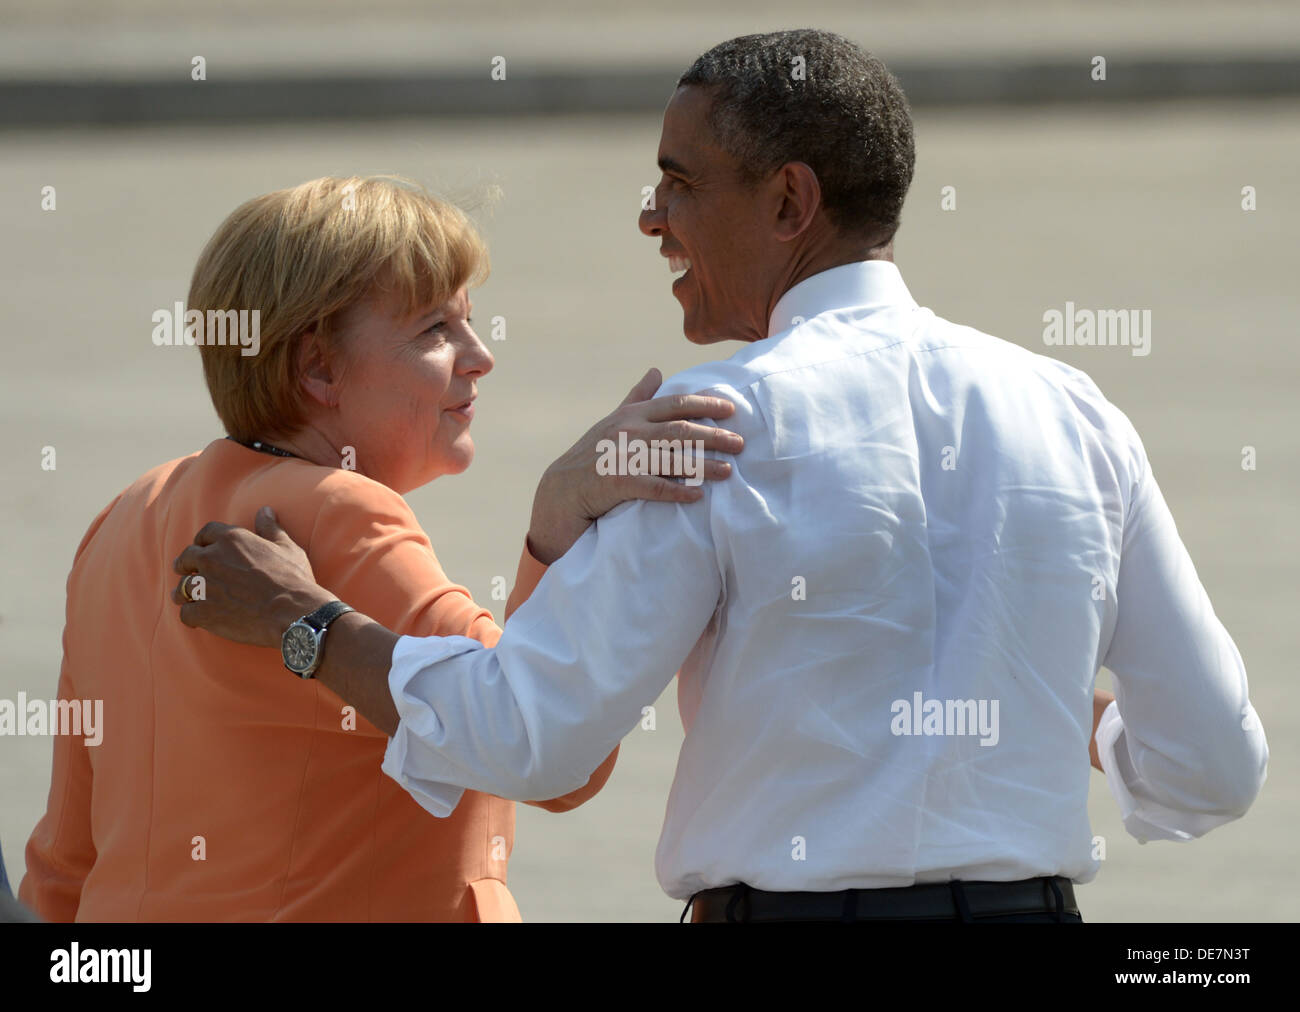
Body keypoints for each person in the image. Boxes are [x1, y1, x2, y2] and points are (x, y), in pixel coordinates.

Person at [172, 32, 1268, 923]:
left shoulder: (711, 425)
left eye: (678, 185)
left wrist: (303, 622)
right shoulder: (1071, 410)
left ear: (789, 202)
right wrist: (1082, 728)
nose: (652, 221)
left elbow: (533, 734)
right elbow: (1215, 764)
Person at [19, 175, 740, 922]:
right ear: (319, 368)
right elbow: (551, 749)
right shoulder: (338, 509)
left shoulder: (125, 516)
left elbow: (65, 856)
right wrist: (556, 526)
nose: (479, 356)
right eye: (435, 330)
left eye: (469, 321)